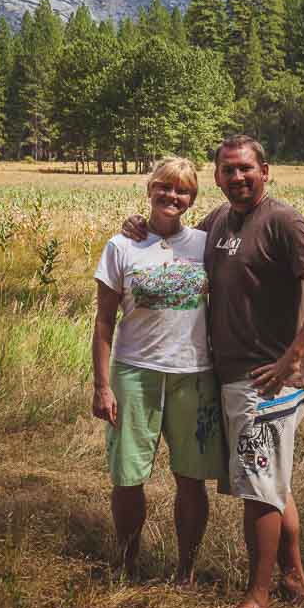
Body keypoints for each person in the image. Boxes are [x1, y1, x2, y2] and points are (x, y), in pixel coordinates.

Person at [123, 136, 304, 608]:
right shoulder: (221, 220)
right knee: (272, 483)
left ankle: (257, 597)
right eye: (228, 170)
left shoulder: (283, 221)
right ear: (217, 177)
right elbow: (176, 241)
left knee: (259, 489)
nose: (238, 177)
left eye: (246, 168)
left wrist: (293, 356)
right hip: (227, 376)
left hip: (265, 381)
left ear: (265, 171)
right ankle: (294, 580)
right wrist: (140, 227)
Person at [91, 156, 225, 584]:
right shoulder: (121, 246)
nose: (172, 196)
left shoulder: (204, 244)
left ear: (193, 199)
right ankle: (128, 565)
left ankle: (186, 570)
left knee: (191, 478)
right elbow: (104, 322)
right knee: (128, 477)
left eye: (182, 190)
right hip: (135, 372)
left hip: (193, 373)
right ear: (150, 190)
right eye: (164, 187)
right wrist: (102, 385)